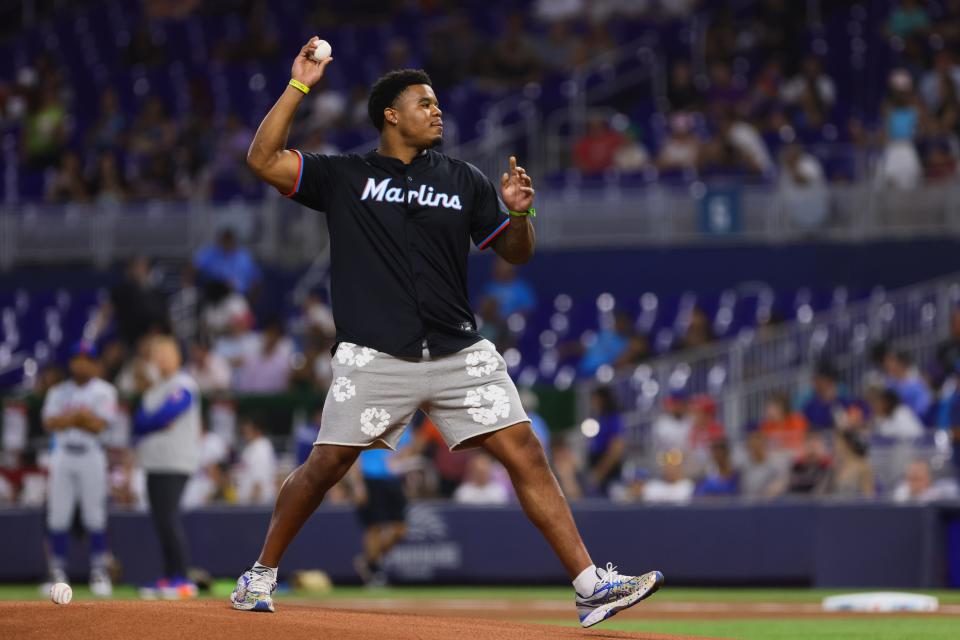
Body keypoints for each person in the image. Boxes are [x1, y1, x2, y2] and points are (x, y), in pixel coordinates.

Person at [230, 42, 662, 626]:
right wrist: (299, 85)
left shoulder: (465, 179)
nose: (438, 112)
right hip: (376, 355)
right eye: (424, 103)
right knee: (325, 466)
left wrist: (517, 214)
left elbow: (518, 253)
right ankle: (260, 574)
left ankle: (589, 586)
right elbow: (262, 159)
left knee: (526, 452)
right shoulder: (345, 175)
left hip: (459, 350)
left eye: (437, 103)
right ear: (391, 114)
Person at [41, 341, 118, 596]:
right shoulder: (58, 391)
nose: (81, 363)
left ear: (94, 363)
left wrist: (71, 419)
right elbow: (50, 423)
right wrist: (80, 417)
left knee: (94, 516)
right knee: (58, 516)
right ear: (71, 362)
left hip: (91, 455)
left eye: (87, 358)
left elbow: (99, 426)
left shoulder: (105, 391)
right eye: (77, 358)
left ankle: (99, 572)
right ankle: (57, 572)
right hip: (63, 454)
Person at [133, 336, 202, 600]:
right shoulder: (153, 389)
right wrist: (156, 421)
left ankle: (182, 578)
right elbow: (138, 423)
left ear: (177, 357)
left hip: (175, 461)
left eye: (165, 353)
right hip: (153, 462)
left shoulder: (183, 383)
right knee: (161, 521)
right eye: (156, 353)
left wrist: (155, 420)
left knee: (168, 518)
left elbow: (167, 414)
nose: (160, 358)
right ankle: (169, 575)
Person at [351, 428, 413, 586]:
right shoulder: (367, 423)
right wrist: (357, 484)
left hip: (393, 480)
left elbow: (408, 448)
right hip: (370, 478)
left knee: (400, 529)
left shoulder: (402, 423)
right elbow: (354, 453)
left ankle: (368, 561)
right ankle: (373, 570)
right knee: (374, 527)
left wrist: (400, 460)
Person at [234, 419, 278, 506]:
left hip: (257, 502)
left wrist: (252, 504)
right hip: (247, 502)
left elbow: (259, 480)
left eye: (248, 430)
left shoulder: (262, 448)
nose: (245, 433)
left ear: (257, 430)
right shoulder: (251, 447)